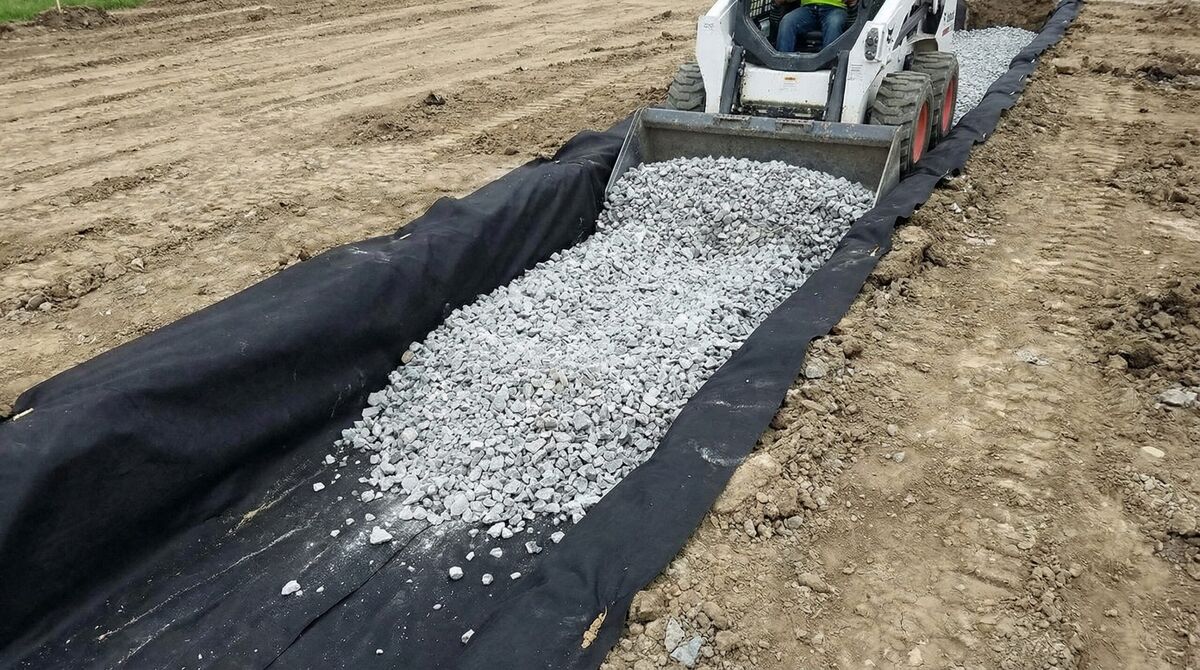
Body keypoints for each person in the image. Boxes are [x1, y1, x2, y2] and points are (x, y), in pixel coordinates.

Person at [775, 0, 857, 53]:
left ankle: (829, 65)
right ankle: (782, 63)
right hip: (807, 9)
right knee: (787, 21)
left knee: (834, 23)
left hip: (835, 8)